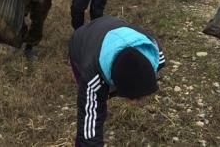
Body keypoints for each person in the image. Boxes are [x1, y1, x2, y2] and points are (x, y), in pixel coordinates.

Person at [68, 15, 166, 146]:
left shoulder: (156, 55)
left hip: (114, 26)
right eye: (132, 97)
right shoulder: (92, 75)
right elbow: (88, 121)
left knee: (99, 95)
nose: (133, 103)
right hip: (82, 40)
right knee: (94, 108)